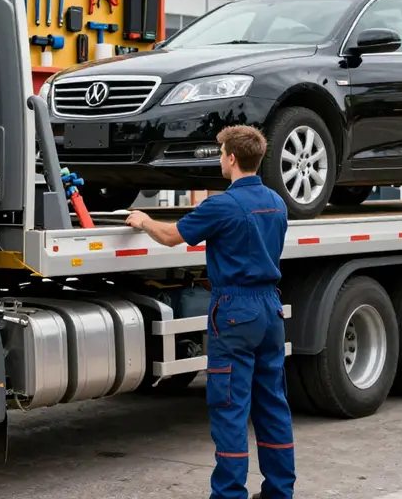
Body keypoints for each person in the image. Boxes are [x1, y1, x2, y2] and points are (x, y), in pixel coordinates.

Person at [126, 125, 295, 499]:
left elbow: (172, 236)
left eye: (221, 154)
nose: (219, 159)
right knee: (272, 405)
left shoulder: (221, 205)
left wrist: (143, 221)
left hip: (235, 310)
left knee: (230, 407)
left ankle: (230, 495)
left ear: (232, 158)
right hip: (269, 307)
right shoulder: (276, 202)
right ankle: (280, 492)